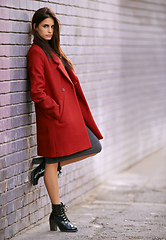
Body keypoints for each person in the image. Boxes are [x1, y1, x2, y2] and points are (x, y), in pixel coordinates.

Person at [27, 7, 103, 232]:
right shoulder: (37, 52)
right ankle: (57, 213)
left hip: (66, 115)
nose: (49, 30)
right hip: (54, 118)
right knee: (54, 162)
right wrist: (57, 110)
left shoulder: (51, 49)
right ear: (35, 27)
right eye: (45, 26)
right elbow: (37, 91)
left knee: (94, 146)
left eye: (52, 26)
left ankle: (46, 167)